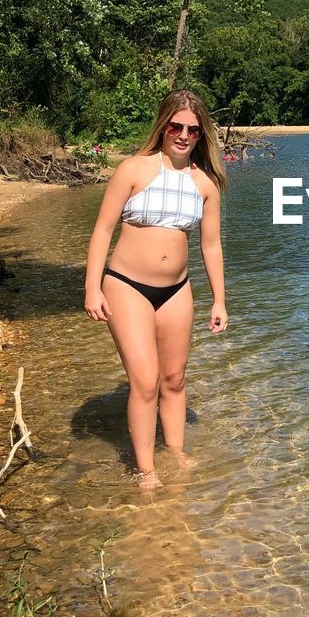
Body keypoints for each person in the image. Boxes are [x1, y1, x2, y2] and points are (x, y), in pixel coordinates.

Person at [84, 90, 229, 491]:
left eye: (193, 130)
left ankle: (177, 453)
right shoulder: (133, 169)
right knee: (145, 381)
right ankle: (146, 471)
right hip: (126, 286)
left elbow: (211, 245)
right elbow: (102, 230)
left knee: (174, 379)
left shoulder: (206, 184)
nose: (183, 135)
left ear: (202, 135)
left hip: (177, 290)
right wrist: (92, 288)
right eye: (176, 126)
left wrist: (219, 298)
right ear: (164, 125)